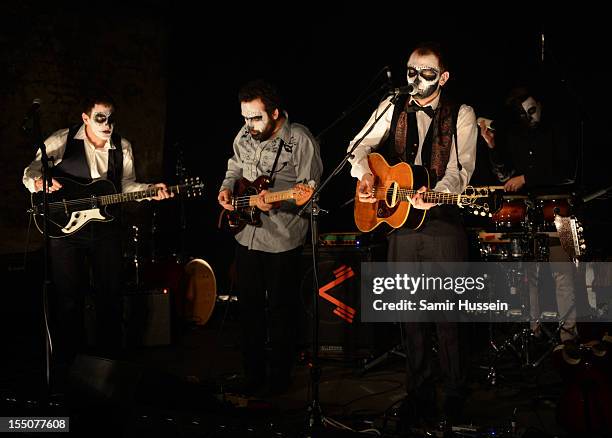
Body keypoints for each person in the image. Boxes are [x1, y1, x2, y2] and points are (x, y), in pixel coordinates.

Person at [348, 42, 478, 425]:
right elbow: (358, 145)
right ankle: (417, 393)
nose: (416, 80)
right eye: (411, 72)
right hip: (400, 221)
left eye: (426, 73)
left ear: (444, 77)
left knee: (447, 317)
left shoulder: (462, 113)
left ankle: (455, 393)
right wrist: (365, 173)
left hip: (442, 223)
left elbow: (461, 169)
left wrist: (437, 194)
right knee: (410, 314)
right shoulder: (392, 106)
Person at [22, 91, 172, 366]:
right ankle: (69, 362)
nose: (107, 124)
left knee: (110, 295)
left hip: (106, 230)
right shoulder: (62, 139)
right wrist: (38, 182)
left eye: (111, 119)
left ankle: (107, 363)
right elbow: (31, 170)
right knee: (68, 299)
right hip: (65, 229)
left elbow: (126, 186)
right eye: (100, 118)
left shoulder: (121, 146)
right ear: (85, 118)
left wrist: (149, 190)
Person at [218, 79, 323, 396]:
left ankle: (279, 380)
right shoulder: (245, 132)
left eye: (256, 118)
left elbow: (309, 193)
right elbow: (235, 164)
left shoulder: (301, 140)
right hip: (245, 233)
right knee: (248, 308)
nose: (248, 125)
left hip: (281, 237)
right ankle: (252, 376)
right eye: (245, 118)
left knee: (280, 310)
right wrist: (226, 187)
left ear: (275, 113)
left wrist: (278, 198)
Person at [478, 86, 581, 345]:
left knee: (565, 273)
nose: (530, 117)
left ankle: (569, 336)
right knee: (529, 275)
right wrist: (492, 148)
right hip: (530, 210)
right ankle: (532, 333)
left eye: (532, 110)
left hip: (562, 209)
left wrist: (527, 178)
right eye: (524, 115)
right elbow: (504, 177)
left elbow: (568, 172)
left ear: (540, 104)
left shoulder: (558, 128)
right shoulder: (515, 135)